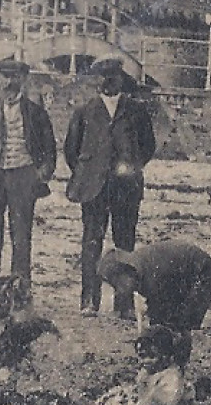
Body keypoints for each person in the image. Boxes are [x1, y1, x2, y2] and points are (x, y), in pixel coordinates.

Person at [65, 57, 157, 318]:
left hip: (125, 187)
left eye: (113, 77)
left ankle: (124, 303)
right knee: (91, 242)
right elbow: (71, 150)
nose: (108, 82)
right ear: (97, 82)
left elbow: (148, 146)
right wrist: (89, 171)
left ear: (121, 79)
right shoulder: (84, 111)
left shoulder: (136, 110)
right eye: (103, 78)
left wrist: (131, 166)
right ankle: (89, 301)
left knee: (124, 244)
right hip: (93, 188)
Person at [0, 58, 57, 298]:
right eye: (4, 77)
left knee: (21, 236)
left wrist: (40, 177)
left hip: (23, 178)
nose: (9, 82)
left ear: (23, 79)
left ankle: (21, 288)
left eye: (14, 77)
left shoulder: (36, 113)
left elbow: (50, 152)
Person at [97, 242, 211, 354]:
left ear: (127, 272)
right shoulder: (140, 270)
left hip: (203, 273)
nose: (119, 291)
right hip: (182, 277)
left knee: (180, 323)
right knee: (167, 323)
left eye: (118, 284)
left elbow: (162, 304)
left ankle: (177, 364)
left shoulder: (152, 275)